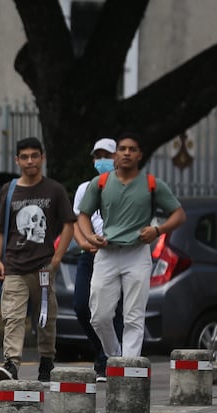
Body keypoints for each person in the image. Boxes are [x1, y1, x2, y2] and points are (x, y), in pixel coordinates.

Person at [77, 132, 185, 358]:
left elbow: (178, 215)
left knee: (133, 316)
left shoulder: (152, 184)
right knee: (99, 316)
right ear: (117, 154)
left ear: (139, 156)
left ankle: (129, 367)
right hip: (106, 253)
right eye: (123, 149)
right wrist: (89, 236)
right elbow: (83, 215)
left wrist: (157, 230)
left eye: (132, 149)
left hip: (137, 254)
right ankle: (115, 355)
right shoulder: (101, 183)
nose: (127, 153)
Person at [0, 137, 76, 383]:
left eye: (34, 156)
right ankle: (11, 363)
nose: (30, 161)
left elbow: (69, 224)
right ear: (17, 160)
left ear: (42, 158)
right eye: (25, 157)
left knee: (45, 317)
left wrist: (57, 258)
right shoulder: (9, 191)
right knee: (13, 316)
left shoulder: (55, 190)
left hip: (43, 266)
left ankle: (47, 360)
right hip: (14, 265)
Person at [72, 137, 123, 379]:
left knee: (116, 309)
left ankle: (115, 360)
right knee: (82, 306)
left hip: (117, 254)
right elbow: (77, 219)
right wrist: (85, 241)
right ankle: (101, 350)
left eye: (107, 155)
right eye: (97, 156)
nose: (102, 161)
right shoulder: (85, 188)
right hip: (91, 254)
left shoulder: (125, 186)